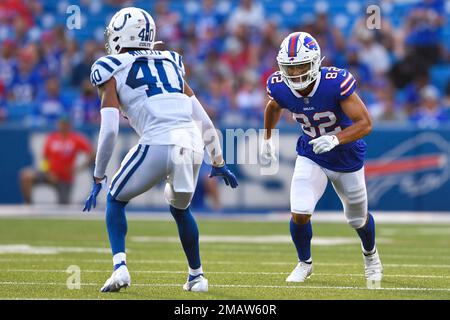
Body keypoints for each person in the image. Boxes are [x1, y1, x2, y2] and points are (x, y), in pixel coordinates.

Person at [83, 7, 238, 293]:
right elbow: (203, 118)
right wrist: (218, 160)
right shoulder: (171, 62)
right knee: (181, 209)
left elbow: (110, 128)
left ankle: (120, 269)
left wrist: (98, 175)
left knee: (115, 199)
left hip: (158, 141)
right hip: (191, 145)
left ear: (120, 34)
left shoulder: (110, 67)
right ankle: (197, 276)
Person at [262, 32, 383, 283]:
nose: (295, 75)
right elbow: (273, 106)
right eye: (290, 68)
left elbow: (366, 123)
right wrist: (268, 138)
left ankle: (371, 255)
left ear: (316, 62)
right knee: (300, 211)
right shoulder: (279, 86)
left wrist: (336, 138)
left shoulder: (334, 82)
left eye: (302, 67)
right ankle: (304, 263)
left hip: (346, 156)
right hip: (311, 154)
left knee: (357, 219)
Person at [20, 116, 95, 204]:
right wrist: (47, 172)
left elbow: (92, 153)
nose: (63, 126)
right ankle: (28, 204)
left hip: (65, 178)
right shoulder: (52, 138)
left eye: (66, 124)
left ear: (70, 125)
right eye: (62, 124)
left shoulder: (76, 139)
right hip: (50, 174)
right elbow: (45, 158)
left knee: (63, 206)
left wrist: (80, 168)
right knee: (26, 176)